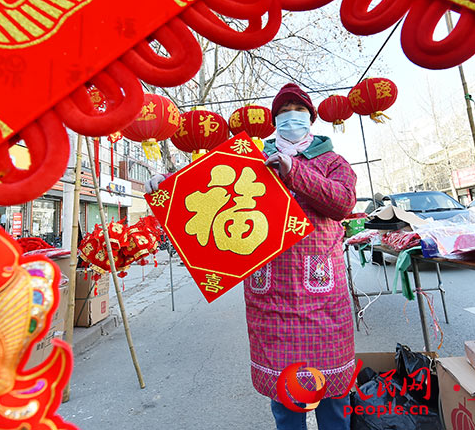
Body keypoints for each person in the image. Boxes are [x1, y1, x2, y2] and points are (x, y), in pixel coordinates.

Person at [146, 83, 357, 429]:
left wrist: (294, 171)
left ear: (311, 118)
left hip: (321, 289)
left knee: (333, 399)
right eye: (284, 111)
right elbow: (209, 186)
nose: (292, 117)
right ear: (275, 120)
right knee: (286, 400)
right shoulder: (252, 157)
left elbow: (343, 203)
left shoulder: (332, 161)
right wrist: (167, 186)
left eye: (299, 110)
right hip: (271, 292)